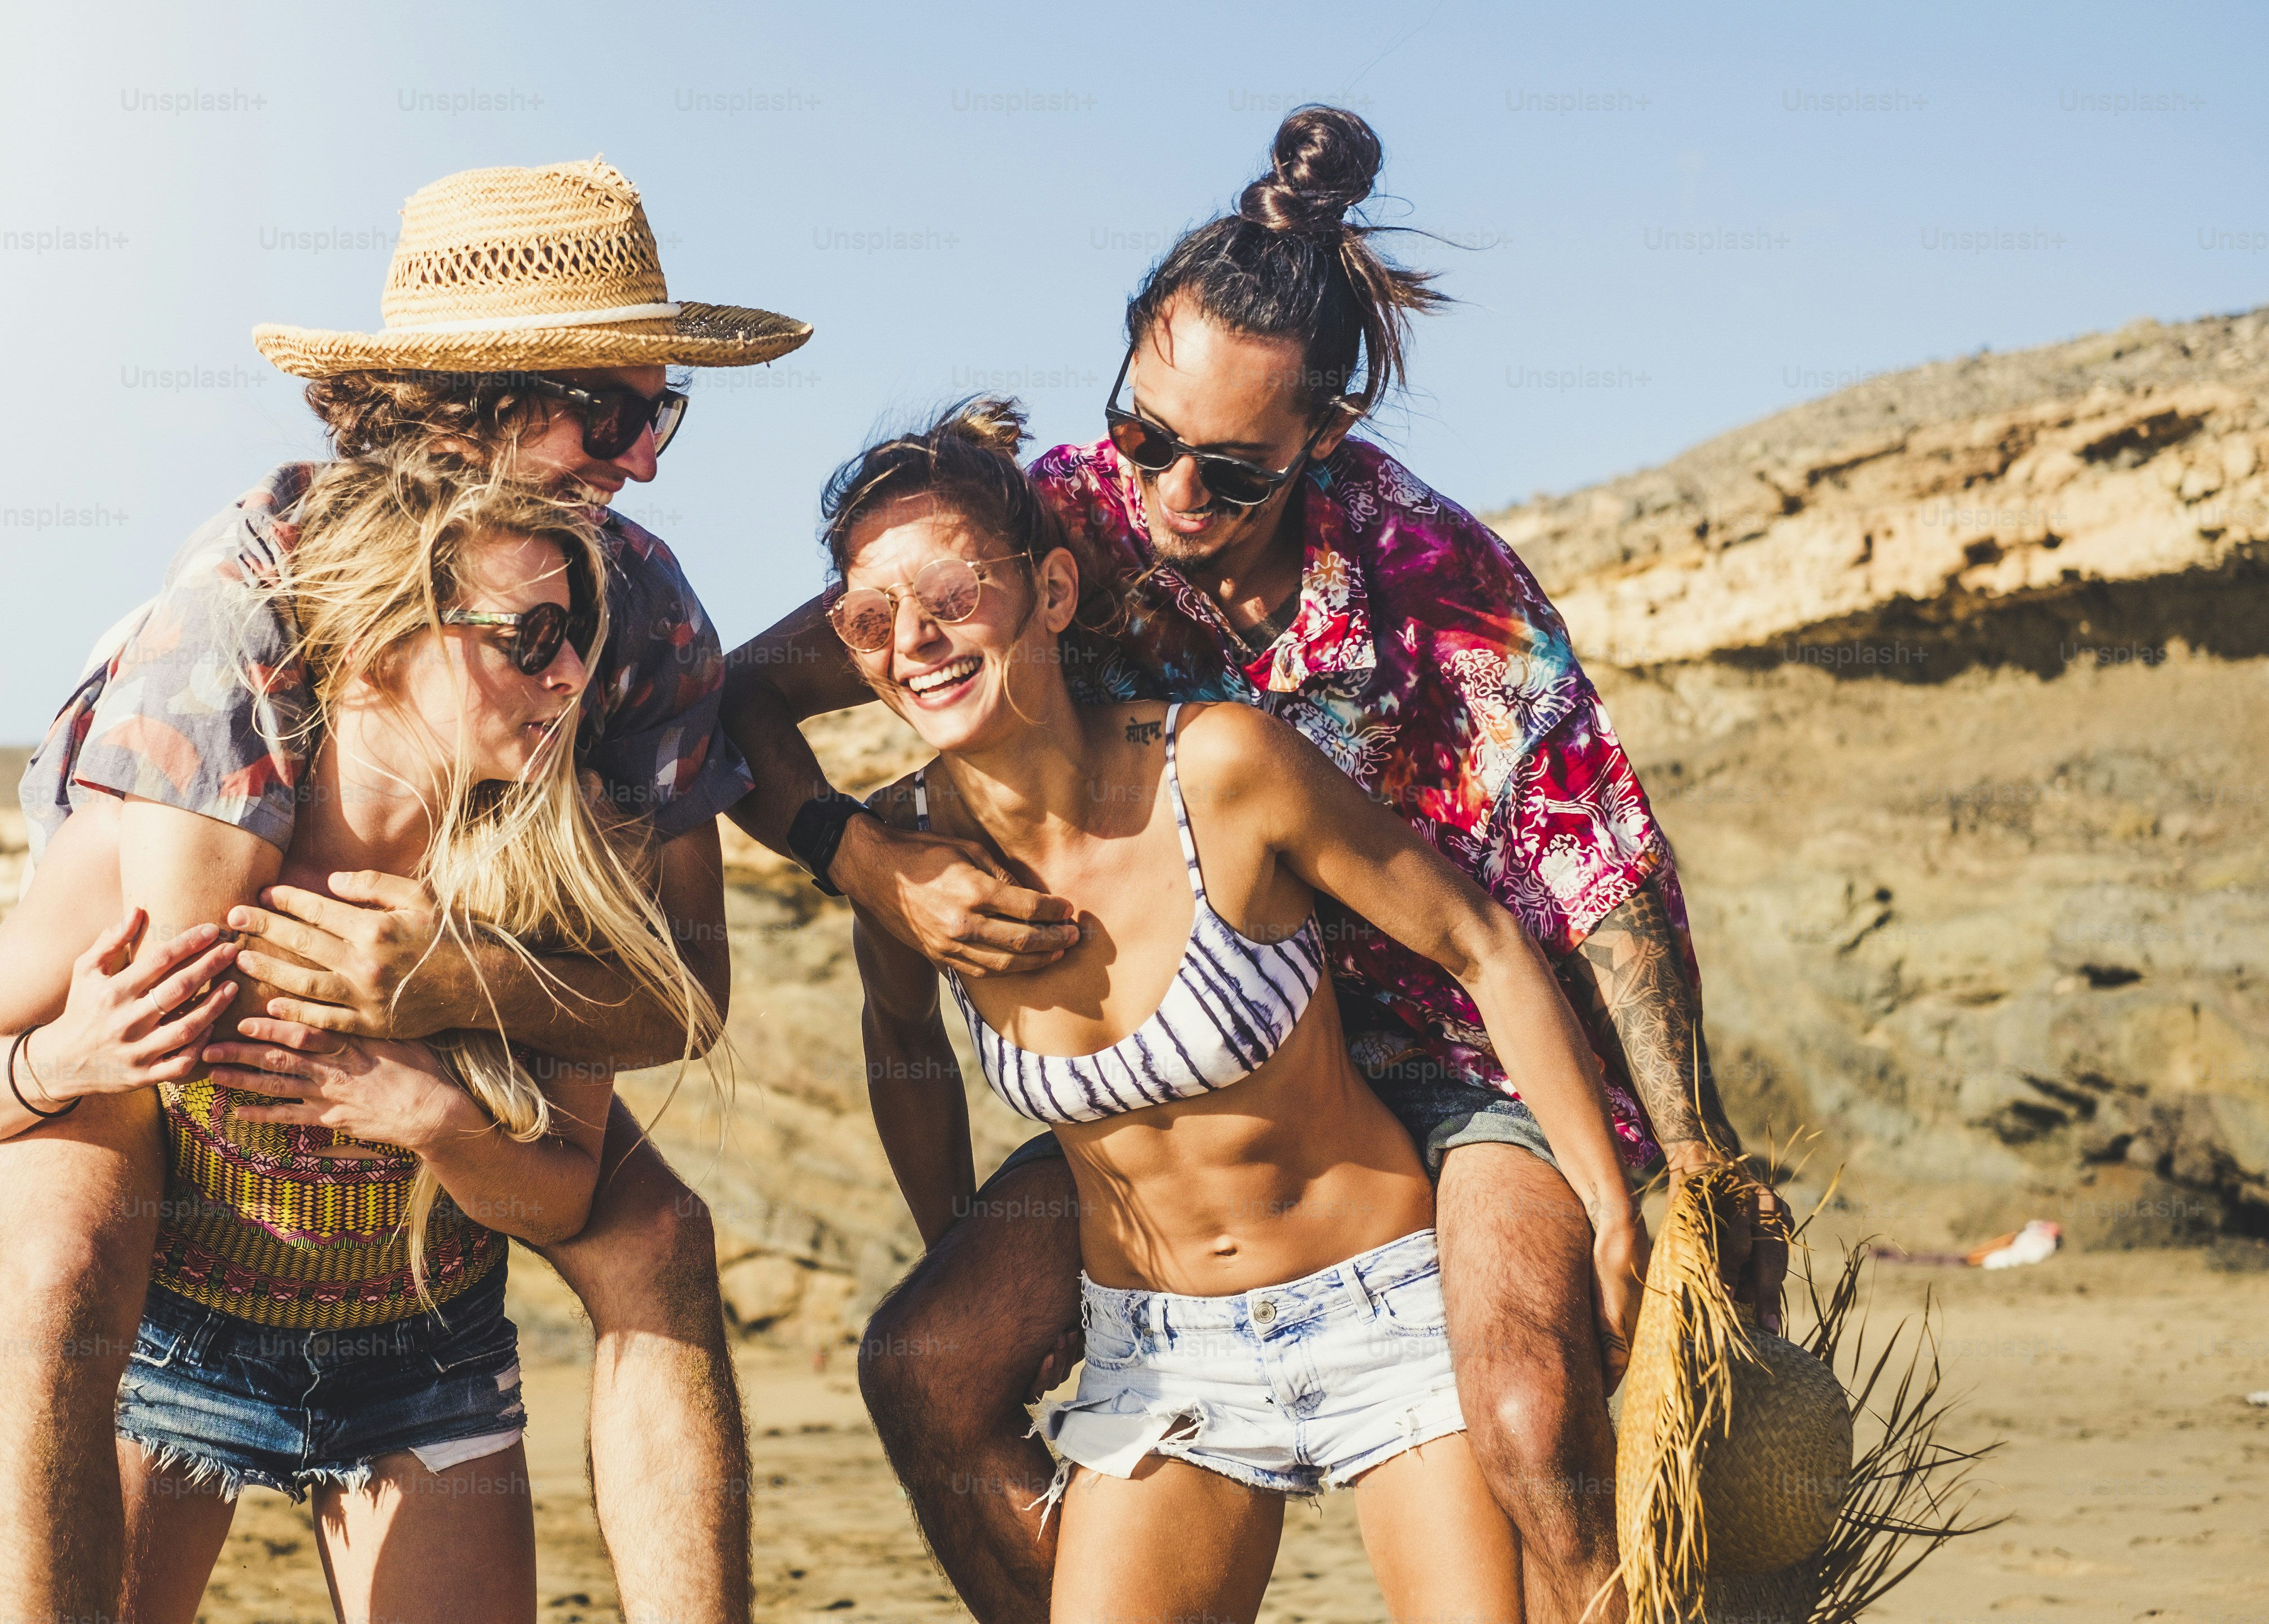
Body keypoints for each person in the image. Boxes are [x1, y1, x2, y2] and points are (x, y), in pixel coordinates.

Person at [722, 107, 1789, 1624]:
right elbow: (748, 700)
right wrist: (868, 866)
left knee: (1532, 1420)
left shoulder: (1433, 580)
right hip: (1208, 1063)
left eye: (1227, 471)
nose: (1170, 492)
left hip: (1451, 1052)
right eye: (1146, 434)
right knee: (925, 1366)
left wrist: (1692, 1162)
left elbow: (1595, 873)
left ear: (1323, 436)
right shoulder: (1046, 526)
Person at [0, 158, 809, 1624]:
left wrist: (462, 983)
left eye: (658, 414)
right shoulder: (247, 599)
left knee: (658, 1237)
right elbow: (199, 992)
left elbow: (684, 995)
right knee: (74, 1232)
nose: (645, 462)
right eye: (610, 417)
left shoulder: (643, 615)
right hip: (173, 1127)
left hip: (431, 1176)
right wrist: (43, 1067)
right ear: (471, 404)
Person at [824, 400, 1647, 1624]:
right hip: (1160, 1362)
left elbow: (1481, 942)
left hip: (1386, 1319)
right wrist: (965, 1249)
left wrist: (1611, 1206)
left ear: (1053, 591)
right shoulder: (905, 865)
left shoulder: (1220, 769)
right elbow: (900, 1046)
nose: (915, 640)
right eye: (868, 618)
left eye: (953, 592)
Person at [0, 462, 710, 1621]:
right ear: (384, 642)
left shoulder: (556, 873)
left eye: (578, 637)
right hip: (176, 1358)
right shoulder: (163, 838)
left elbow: (558, 1199)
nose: (571, 674)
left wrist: (436, 1120)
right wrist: (63, 1061)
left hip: (428, 1369)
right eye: (531, 639)